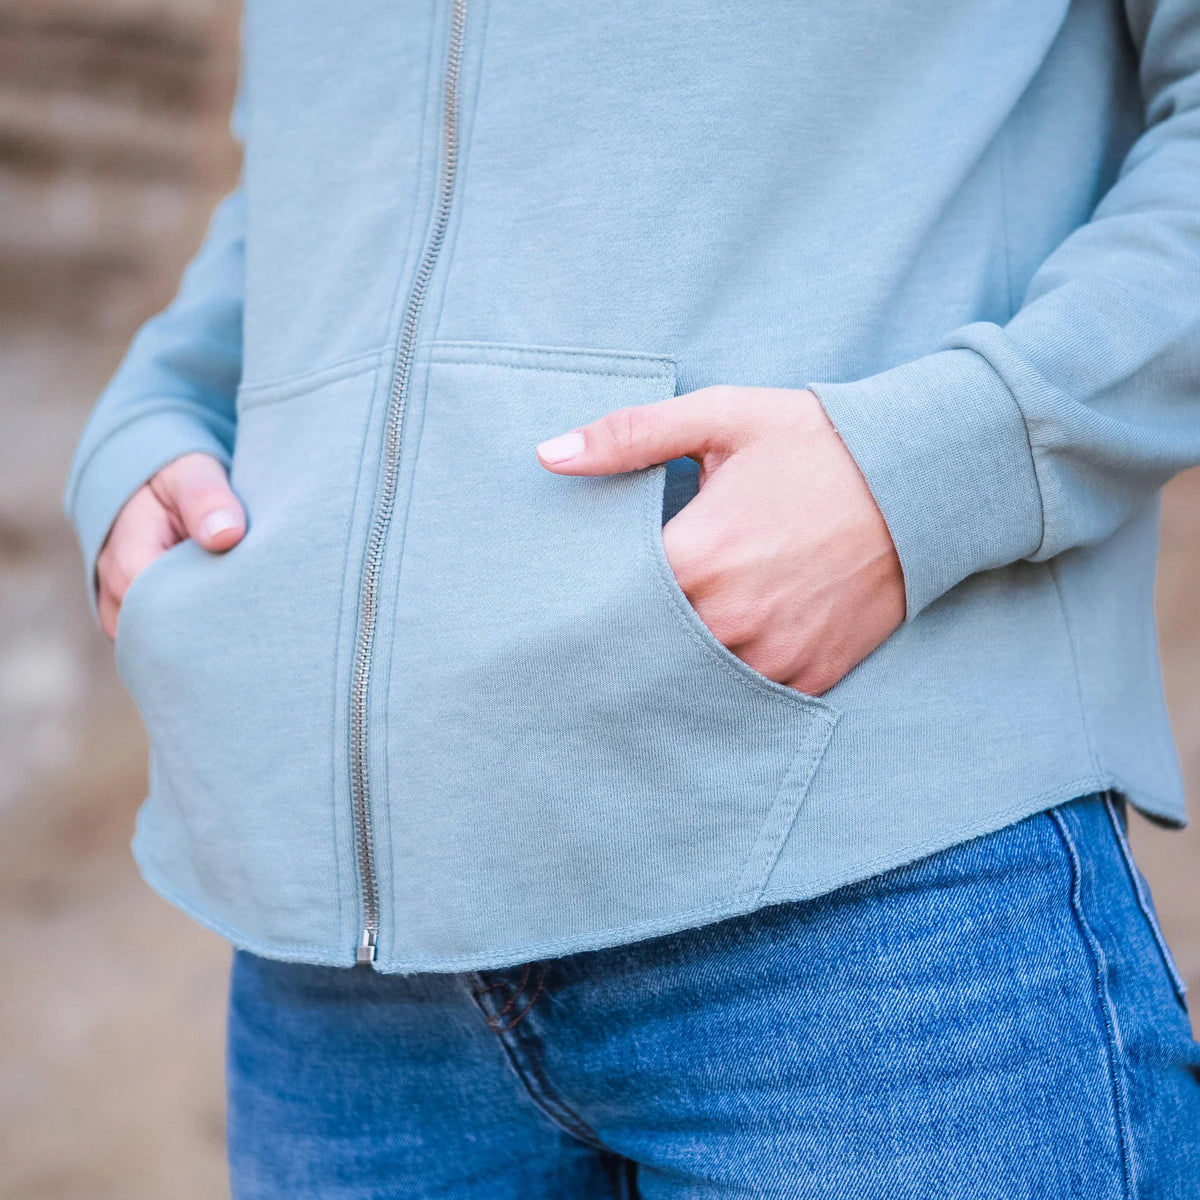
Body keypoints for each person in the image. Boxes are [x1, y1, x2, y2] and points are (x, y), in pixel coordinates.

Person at [65, 1, 1200, 1195]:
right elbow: (324, 181)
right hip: (334, 993)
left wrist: (940, 463)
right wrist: (157, 407)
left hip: (876, 901)